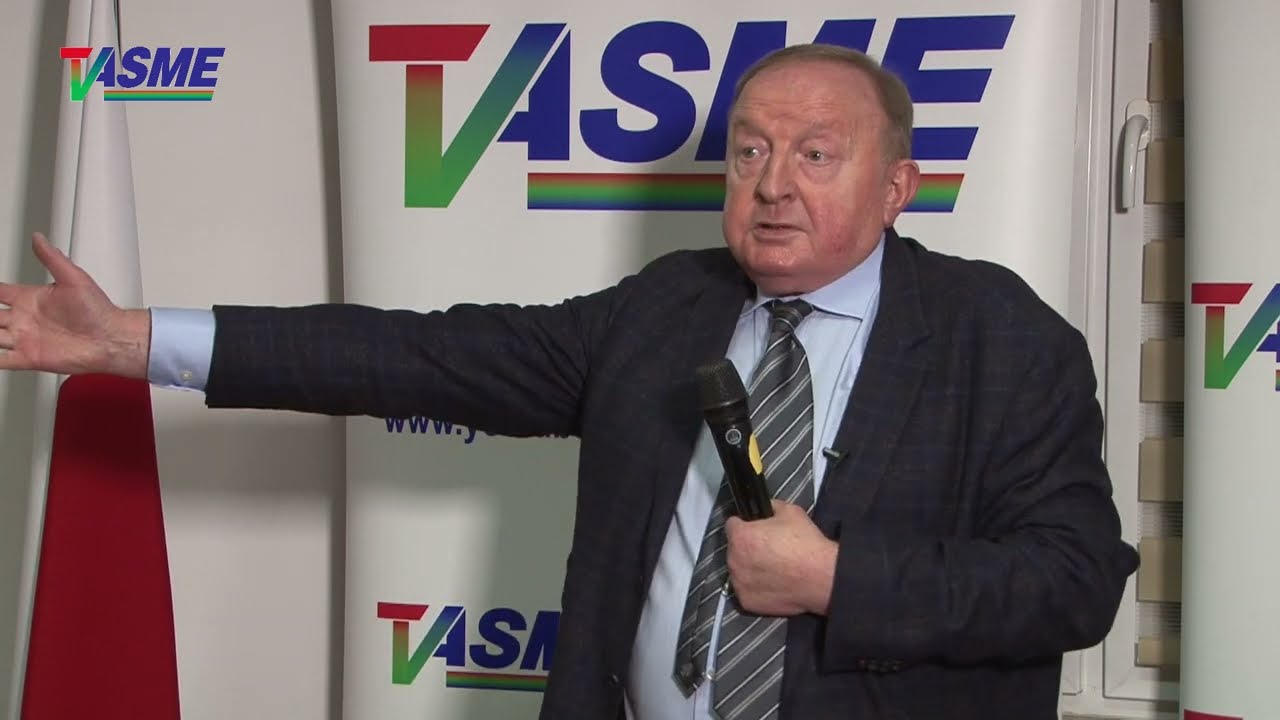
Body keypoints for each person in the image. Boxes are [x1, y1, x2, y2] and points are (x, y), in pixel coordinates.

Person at [0, 44, 1138, 719]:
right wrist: (133, 341)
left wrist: (840, 578)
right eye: (749, 151)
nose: (771, 185)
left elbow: (1074, 582)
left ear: (897, 187)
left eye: (815, 155)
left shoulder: (1002, 338)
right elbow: (419, 356)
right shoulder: (666, 310)